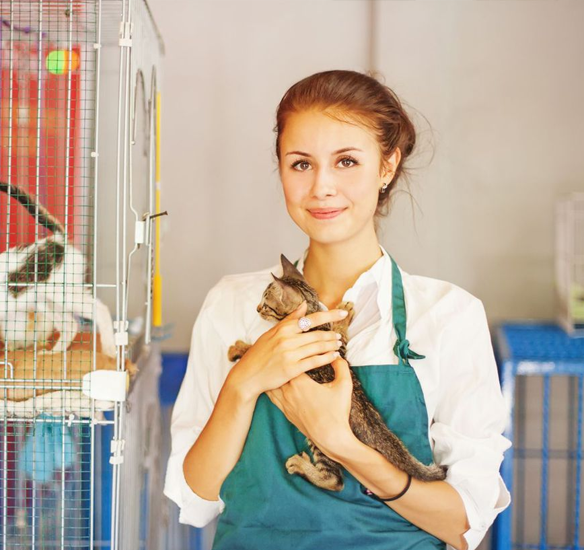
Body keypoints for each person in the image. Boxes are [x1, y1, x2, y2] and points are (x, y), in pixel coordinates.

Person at [163, 70, 511, 550]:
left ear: (387, 166)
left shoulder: (448, 316)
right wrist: (244, 383)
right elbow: (195, 498)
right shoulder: (231, 303)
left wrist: (339, 442)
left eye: (346, 161)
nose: (322, 187)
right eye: (301, 164)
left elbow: (463, 524)